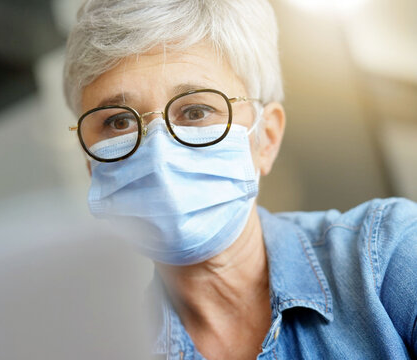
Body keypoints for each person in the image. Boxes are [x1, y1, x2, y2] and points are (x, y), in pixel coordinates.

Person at [63, 0, 417, 358]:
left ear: (267, 138)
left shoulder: (388, 257)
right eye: (118, 122)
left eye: (196, 111)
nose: (158, 154)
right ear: (92, 164)